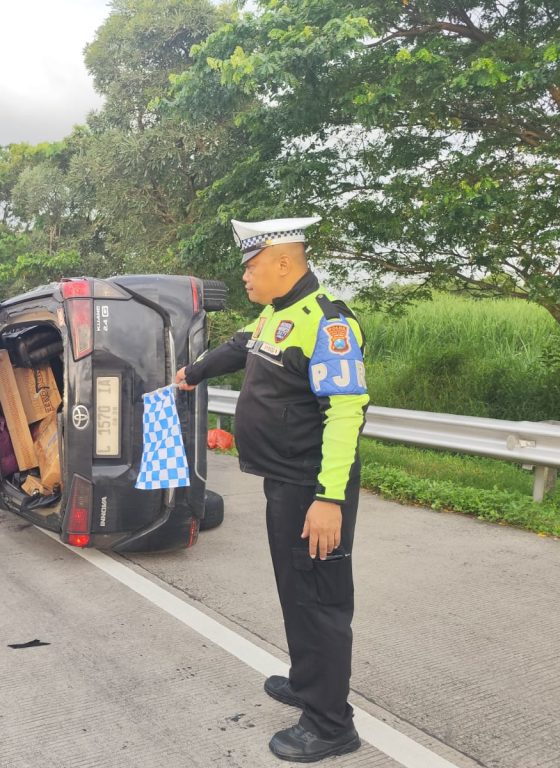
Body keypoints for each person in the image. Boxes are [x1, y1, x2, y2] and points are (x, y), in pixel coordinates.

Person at [175, 216, 368, 762]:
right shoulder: (277, 315)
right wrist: (193, 372)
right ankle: (308, 680)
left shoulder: (329, 324)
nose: (246, 277)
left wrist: (329, 499)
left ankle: (331, 724)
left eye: (252, 266)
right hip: (283, 482)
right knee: (296, 591)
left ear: (284, 263)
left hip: (313, 489)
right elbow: (242, 346)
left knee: (319, 601)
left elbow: (345, 414)